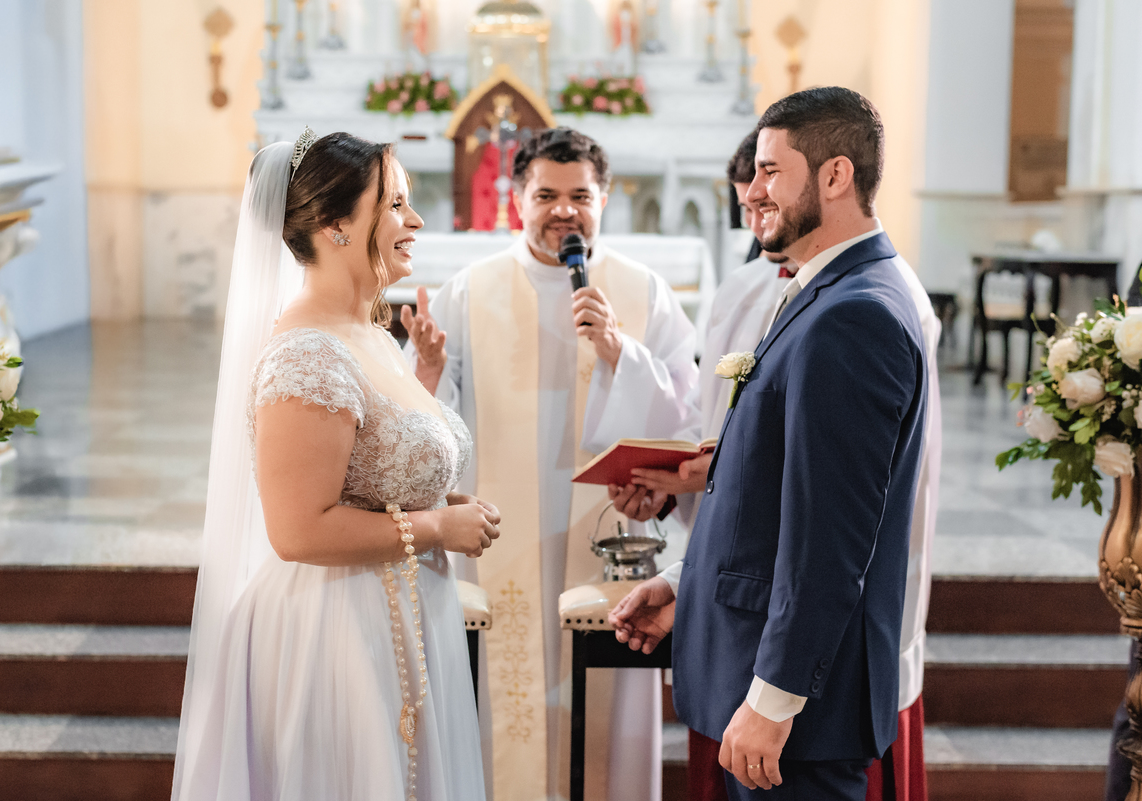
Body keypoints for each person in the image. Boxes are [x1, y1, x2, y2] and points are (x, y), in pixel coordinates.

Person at [609, 87, 928, 800]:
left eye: (770, 171)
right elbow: (773, 492)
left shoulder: (855, 316)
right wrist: (688, 585)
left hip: (794, 716)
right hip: (769, 681)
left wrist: (775, 698)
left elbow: (831, 538)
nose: (751, 191)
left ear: (836, 175)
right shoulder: (831, 291)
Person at [171, 130, 499, 800]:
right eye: (397, 204)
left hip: (397, 614)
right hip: (335, 636)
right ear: (335, 224)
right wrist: (436, 527)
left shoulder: (370, 333)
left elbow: (374, 460)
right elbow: (298, 530)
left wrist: (428, 389)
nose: (416, 220)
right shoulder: (306, 354)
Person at [402, 127, 698, 801]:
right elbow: (424, 430)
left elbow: (687, 417)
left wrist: (622, 351)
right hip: (495, 548)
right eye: (546, 194)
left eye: (580, 195)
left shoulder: (642, 292)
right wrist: (427, 372)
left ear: (605, 198)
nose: (564, 210)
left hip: (607, 547)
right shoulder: (467, 292)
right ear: (516, 199)